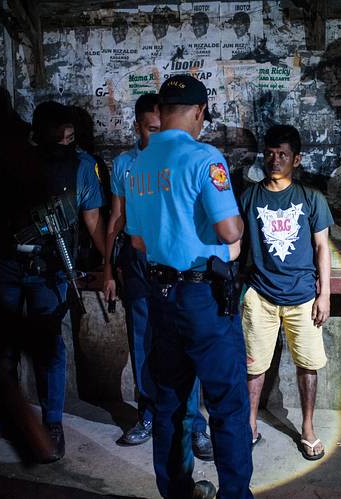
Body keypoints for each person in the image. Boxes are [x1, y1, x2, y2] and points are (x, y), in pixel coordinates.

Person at [124, 75, 252, 499]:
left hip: (160, 296)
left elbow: (138, 241)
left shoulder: (138, 164)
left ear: (160, 111)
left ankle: (176, 491)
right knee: (227, 404)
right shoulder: (205, 158)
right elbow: (230, 230)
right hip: (204, 298)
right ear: (199, 113)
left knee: (171, 401)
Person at [0, 101, 107, 462]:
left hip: (51, 269)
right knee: (3, 346)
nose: (64, 144)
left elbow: (91, 219)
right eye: (57, 138)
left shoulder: (83, 166)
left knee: (49, 348)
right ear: (38, 135)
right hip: (8, 264)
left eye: (70, 138)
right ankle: (0, 416)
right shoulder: (14, 162)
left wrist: (108, 264)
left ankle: (52, 422)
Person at [103, 93, 213, 460]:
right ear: (137, 127)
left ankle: (195, 423)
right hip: (137, 264)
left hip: (178, 267)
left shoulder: (186, 157)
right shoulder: (124, 165)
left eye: (163, 126)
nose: (160, 134)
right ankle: (148, 415)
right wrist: (107, 268)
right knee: (142, 343)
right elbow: (116, 218)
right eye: (152, 129)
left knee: (186, 342)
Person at [240, 124, 333, 460]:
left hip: (303, 296)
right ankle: (248, 425)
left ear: (297, 159)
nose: (274, 160)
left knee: (308, 365)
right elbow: (237, 244)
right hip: (260, 295)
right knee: (254, 367)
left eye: (282, 154)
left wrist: (325, 294)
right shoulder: (250, 196)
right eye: (270, 153)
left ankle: (307, 428)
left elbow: (323, 248)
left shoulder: (312, 198)